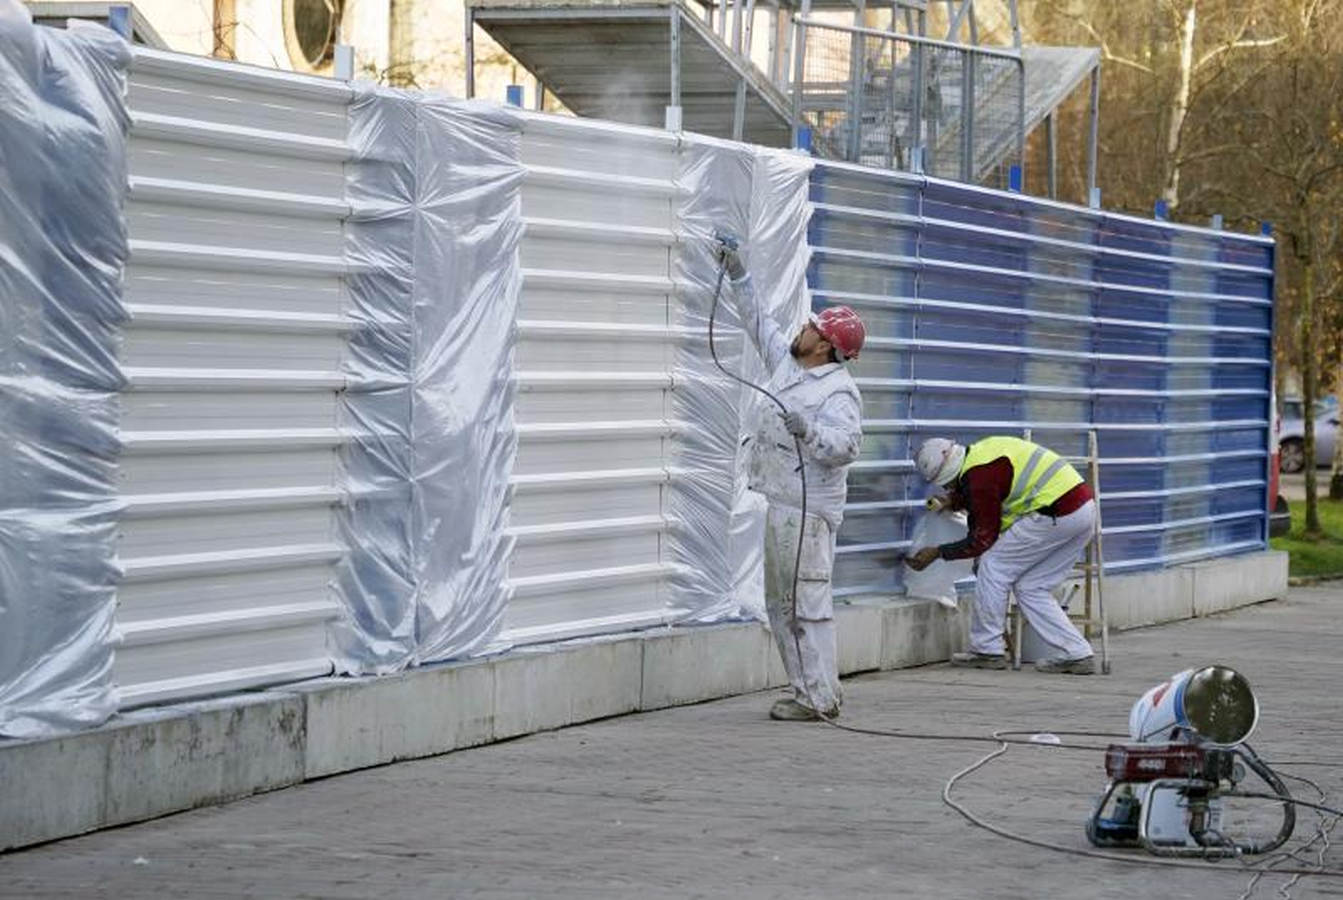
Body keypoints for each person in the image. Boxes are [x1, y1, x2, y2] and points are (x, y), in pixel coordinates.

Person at [713, 236, 866, 720]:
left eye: (812, 327)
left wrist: (810, 431)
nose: (803, 327)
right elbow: (758, 321)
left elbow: (847, 447)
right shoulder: (790, 365)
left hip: (808, 511)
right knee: (783, 603)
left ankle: (817, 697)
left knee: (806, 604)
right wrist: (738, 273)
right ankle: (811, 692)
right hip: (785, 505)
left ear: (825, 346)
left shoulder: (838, 391)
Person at [906, 436, 1097, 674]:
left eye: (947, 485)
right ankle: (1078, 653)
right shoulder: (980, 456)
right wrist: (955, 501)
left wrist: (938, 552)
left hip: (1055, 512)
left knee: (992, 565)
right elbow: (992, 489)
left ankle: (987, 650)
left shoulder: (980, 479)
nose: (948, 489)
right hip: (1082, 511)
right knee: (1031, 587)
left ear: (949, 474)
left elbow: (982, 539)